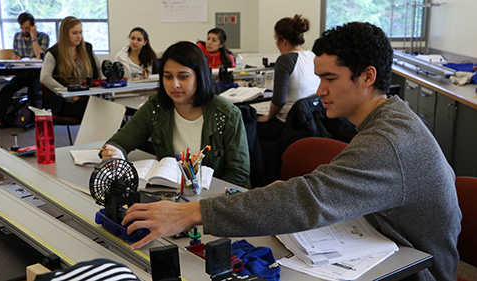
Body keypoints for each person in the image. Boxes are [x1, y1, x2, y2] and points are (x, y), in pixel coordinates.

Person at [120, 22, 461, 281]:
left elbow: (309, 197)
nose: (319, 90)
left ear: (367, 77)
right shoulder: (389, 118)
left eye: (329, 79)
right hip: (382, 241)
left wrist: (190, 213)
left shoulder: (389, 141)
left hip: (417, 270)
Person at [102, 41, 250, 187]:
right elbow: (118, 142)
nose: (174, 84)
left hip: (215, 200)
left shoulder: (227, 114)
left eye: (183, 76)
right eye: (168, 77)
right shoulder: (155, 107)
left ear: (199, 76)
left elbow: (238, 173)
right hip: (170, 194)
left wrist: (202, 201)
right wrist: (115, 153)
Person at [0, 12, 49, 129]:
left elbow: (40, 56)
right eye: (22, 28)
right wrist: (15, 58)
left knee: (34, 92)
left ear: (33, 26)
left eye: (27, 28)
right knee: (6, 90)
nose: (24, 31)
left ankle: (33, 119)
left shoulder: (43, 37)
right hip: (22, 73)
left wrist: (33, 37)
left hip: (36, 74)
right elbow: (16, 54)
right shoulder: (17, 37)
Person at [257, 15, 320, 133]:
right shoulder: (312, 55)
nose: (276, 43)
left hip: (290, 122)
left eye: (276, 39)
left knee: (249, 123)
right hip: (311, 119)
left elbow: (279, 100)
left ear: (283, 41)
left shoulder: (285, 59)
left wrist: (268, 117)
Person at [40, 16, 101, 120]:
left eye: (80, 32)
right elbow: (44, 78)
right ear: (65, 34)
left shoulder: (87, 48)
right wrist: (67, 93)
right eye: (74, 33)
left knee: (112, 110)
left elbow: (99, 69)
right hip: (66, 103)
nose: (79, 36)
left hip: (89, 98)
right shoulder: (54, 53)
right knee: (98, 112)